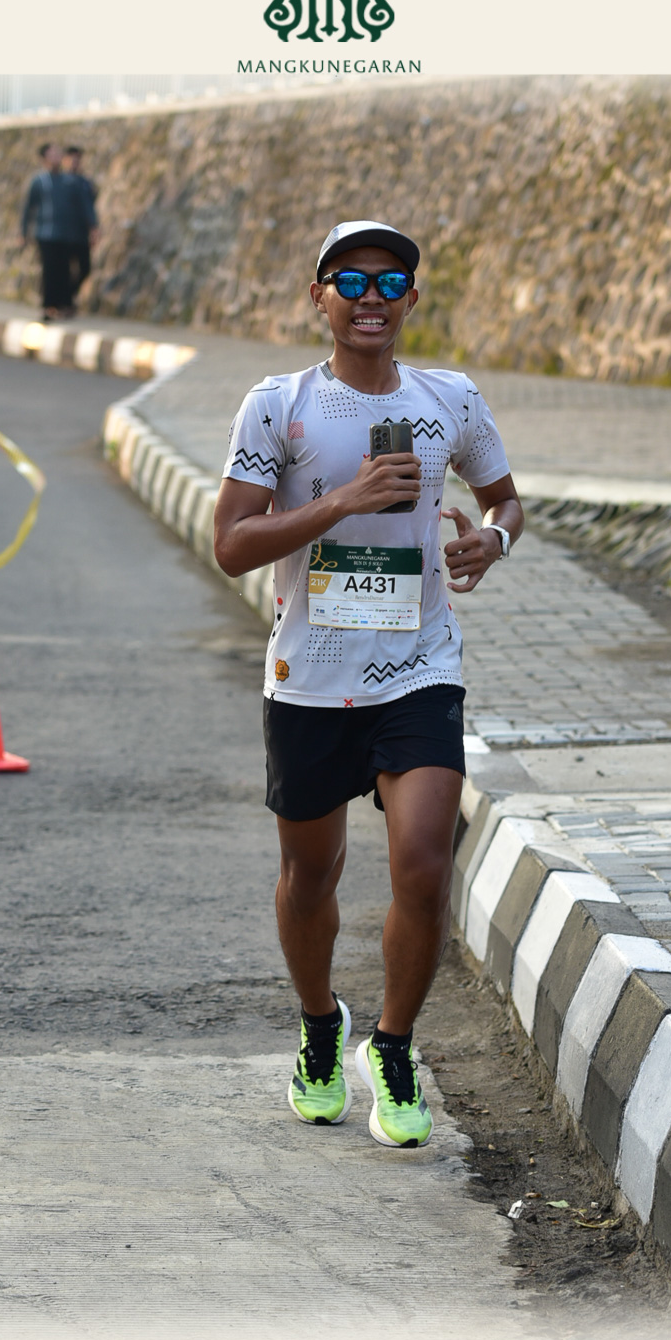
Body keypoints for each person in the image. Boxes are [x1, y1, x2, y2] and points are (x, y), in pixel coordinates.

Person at [213, 220, 522, 1150]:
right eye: (348, 281)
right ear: (319, 299)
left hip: (418, 667)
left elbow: (505, 499)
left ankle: (392, 1046)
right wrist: (341, 500)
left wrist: (491, 541)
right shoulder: (279, 406)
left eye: (390, 282)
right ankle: (320, 1027)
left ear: (412, 299)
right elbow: (231, 544)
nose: (370, 298)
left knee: (422, 865)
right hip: (308, 677)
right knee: (310, 875)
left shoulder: (449, 399)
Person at [19, 142, 89, 321]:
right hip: (46, 234)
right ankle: (48, 306)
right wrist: (23, 232)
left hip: (66, 234)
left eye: (58, 153)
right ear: (44, 158)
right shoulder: (39, 182)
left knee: (64, 271)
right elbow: (28, 208)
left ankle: (63, 304)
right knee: (49, 270)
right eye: (52, 154)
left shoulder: (69, 181)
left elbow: (83, 205)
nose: (57, 157)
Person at [62, 146, 100, 312]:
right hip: (62, 233)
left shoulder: (85, 183)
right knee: (63, 269)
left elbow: (89, 207)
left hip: (80, 233)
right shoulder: (59, 181)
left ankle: (68, 297)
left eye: (77, 158)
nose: (75, 162)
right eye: (72, 158)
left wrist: (94, 228)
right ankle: (63, 301)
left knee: (85, 268)